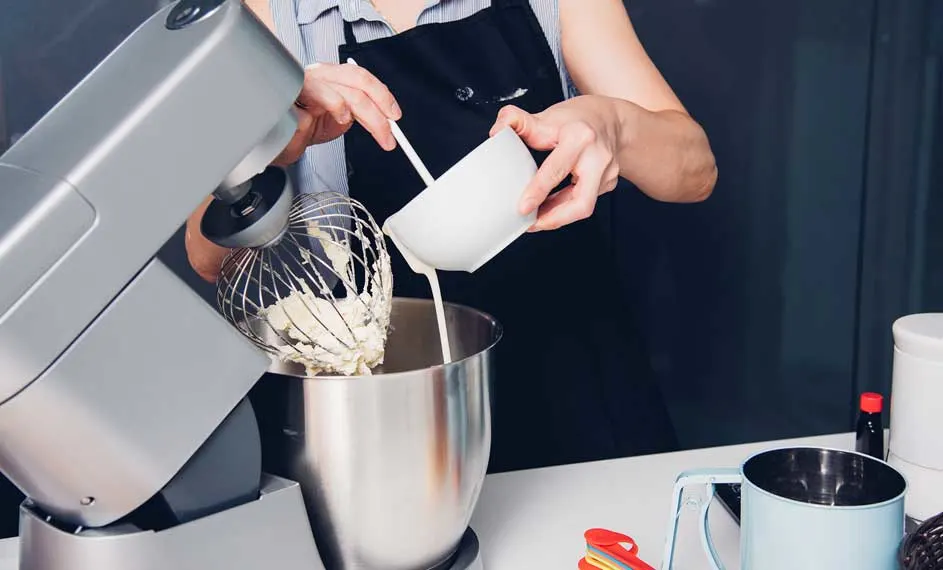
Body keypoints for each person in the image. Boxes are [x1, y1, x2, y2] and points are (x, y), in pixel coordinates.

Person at [186, 0, 717, 473]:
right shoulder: (266, 19)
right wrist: (266, 143)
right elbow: (205, 254)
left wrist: (616, 126)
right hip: (382, 429)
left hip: (576, 393)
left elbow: (696, 172)